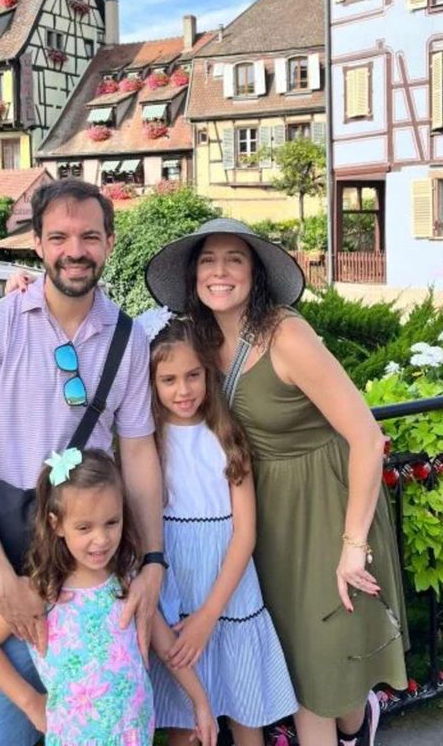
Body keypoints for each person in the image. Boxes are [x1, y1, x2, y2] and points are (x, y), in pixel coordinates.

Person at [144, 218, 408, 746]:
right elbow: (142, 358)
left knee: (320, 663)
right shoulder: (198, 338)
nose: (219, 272)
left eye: (234, 259)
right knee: (296, 657)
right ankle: (357, 720)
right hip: (261, 513)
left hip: (326, 505)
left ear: (255, 273)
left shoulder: (287, 334)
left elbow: (366, 437)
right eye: (207, 260)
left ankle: (357, 720)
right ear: (194, 274)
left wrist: (353, 545)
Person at [0, 179, 165, 746]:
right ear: (37, 243)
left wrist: (154, 560)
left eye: (89, 236)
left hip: (93, 591)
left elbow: (137, 453)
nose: (74, 250)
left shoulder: (128, 339)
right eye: (58, 236)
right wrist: (1, 583)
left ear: (109, 242)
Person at [0, 449, 217, 746]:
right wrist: (31, 703)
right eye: (84, 527)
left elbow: (168, 650)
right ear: (56, 524)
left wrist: (201, 703)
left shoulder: (127, 582)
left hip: (134, 736)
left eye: (111, 522)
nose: (100, 539)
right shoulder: (41, 593)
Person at [140, 313, 298, 746]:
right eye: (168, 379)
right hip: (176, 587)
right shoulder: (145, 443)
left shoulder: (226, 435)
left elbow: (245, 532)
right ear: (152, 383)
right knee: (186, 724)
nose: (183, 389)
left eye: (193, 375)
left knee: (247, 712)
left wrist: (209, 614)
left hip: (228, 589)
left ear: (208, 374)